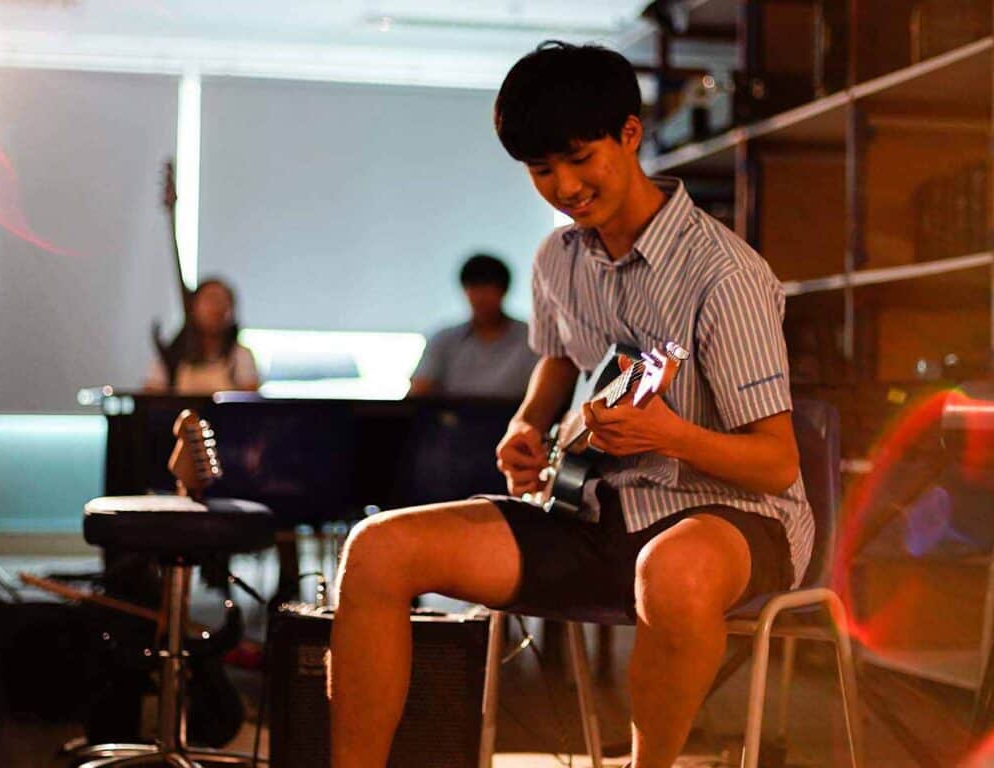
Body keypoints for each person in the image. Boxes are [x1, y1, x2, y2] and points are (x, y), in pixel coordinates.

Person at [328, 41, 813, 768]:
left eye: (580, 158)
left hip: (732, 518)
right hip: (594, 509)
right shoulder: (559, 259)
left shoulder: (726, 275)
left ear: (630, 133)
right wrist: (527, 424)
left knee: (671, 574)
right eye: (541, 170)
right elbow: (557, 365)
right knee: (375, 550)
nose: (565, 186)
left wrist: (670, 435)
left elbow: (777, 465)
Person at [408, 253, 539, 399]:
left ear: (503, 291)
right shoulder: (444, 340)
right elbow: (419, 391)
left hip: (515, 418)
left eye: (488, 289)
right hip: (453, 419)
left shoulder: (531, 339)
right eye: (474, 288)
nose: (481, 297)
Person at [145, 278, 260, 394]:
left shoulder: (241, 356)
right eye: (210, 300)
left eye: (223, 301)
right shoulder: (170, 357)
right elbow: (152, 399)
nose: (216, 309)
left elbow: (249, 403)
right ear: (193, 308)